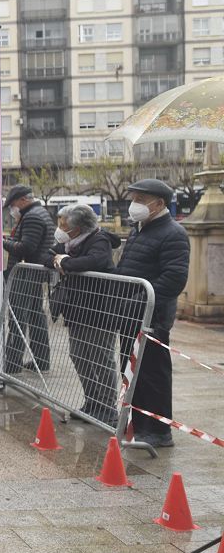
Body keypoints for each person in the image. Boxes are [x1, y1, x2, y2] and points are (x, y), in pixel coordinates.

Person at [115, 179, 190, 448]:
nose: (134, 205)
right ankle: (138, 424)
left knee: (153, 374)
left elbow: (173, 279)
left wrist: (140, 300)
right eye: (133, 198)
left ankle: (159, 431)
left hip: (152, 317)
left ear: (158, 203)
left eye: (140, 199)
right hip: (130, 314)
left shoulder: (173, 233)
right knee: (133, 371)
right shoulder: (139, 230)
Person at [42, 204, 121, 426]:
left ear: (79, 227)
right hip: (77, 309)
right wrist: (60, 260)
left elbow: (92, 262)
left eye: (65, 224)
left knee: (100, 358)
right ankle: (92, 401)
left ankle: (107, 406)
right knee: (78, 355)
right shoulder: (69, 243)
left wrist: (63, 260)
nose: (61, 228)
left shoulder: (99, 240)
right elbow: (46, 258)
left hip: (99, 310)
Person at [2, 185, 55, 373]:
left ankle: (13, 363)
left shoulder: (32, 216)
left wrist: (2, 242)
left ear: (23, 200)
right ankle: (41, 360)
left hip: (25, 275)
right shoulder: (40, 213)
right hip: (34, 274)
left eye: (13, 204)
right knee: (35, 317)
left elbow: (26, 248)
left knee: (17, 318)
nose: (12, 208)